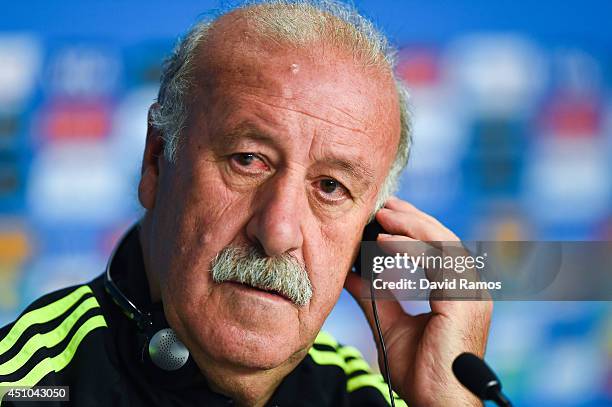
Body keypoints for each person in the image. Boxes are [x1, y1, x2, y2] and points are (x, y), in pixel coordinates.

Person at [0, 1, 492, 406]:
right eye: (248, 159)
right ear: (155, 162)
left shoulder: (365, 396)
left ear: (365, 235)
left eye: (331, 188)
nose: (278, 232)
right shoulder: (24, 387)